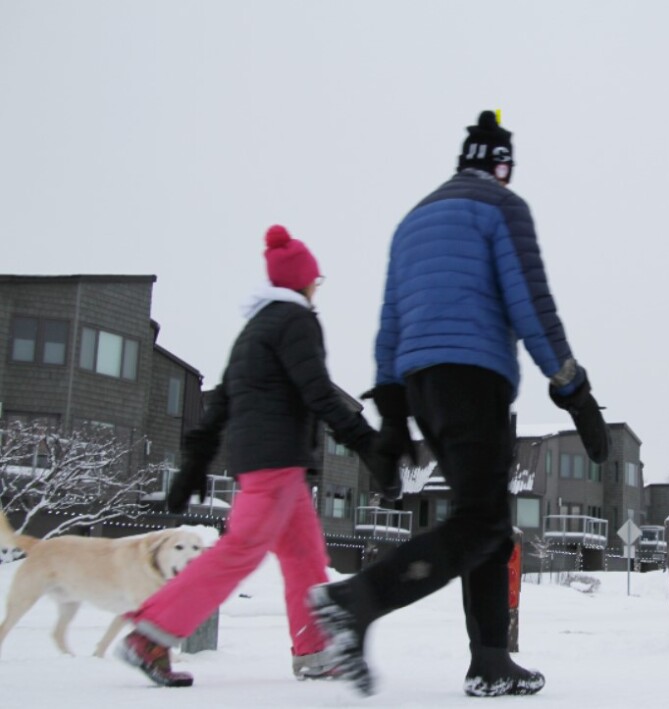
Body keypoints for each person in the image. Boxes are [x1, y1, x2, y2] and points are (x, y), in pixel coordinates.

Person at [308, 111, 610, 697]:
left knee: (488, 519)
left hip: (422, 385)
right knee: (481, 521)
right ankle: (355, 600)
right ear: (500, 165)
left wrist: (392, 420)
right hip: (474, 378)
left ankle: (490, 660)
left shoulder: (411, 221)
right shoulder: (502, 209)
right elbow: (532, 305)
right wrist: (573, 389)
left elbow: (389, 326)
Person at [116, 225, 401, 687]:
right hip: (276, 464)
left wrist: (195, 461)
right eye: (315, 281)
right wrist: (368, 444)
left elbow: (222, 400)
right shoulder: (295, 322)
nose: (316, 289)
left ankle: (312, 652)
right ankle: (152, 633)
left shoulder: (255, 329)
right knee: (240, 551)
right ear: (301, 282)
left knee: (307, 559)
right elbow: (319, 393)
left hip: (264, 462)